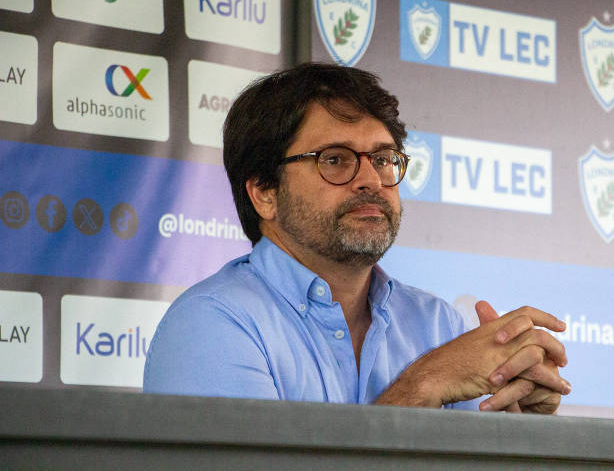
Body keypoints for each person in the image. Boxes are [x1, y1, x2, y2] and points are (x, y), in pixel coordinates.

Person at [143, 63, 570, 413]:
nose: (371, 179)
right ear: (265, 193)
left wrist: (518, 429)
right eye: (335, 159)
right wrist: (423, 385)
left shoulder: (439, 325)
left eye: (383, 159)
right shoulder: (212, 324)